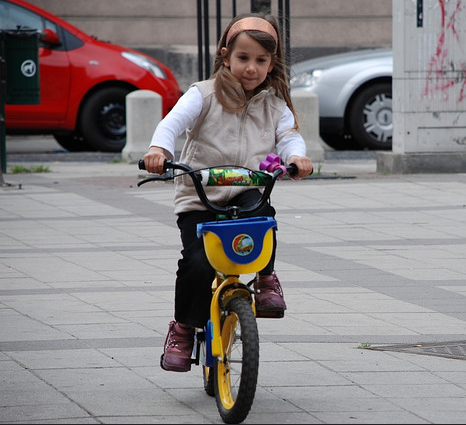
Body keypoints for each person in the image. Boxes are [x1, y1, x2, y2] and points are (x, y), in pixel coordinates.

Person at [143, 12, 314, 372]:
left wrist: (297, 156)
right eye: (243, 58)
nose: (251, 68)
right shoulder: (202, 95)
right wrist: (160, 151)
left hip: (245, 191)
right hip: (199, 196)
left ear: (272, 63)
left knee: (263, 215)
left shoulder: (274, 104)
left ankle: (266, 277)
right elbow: (171, 124)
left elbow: (288, 137)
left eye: (261, 60)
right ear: (225, 56)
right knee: (197, 263)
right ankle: (184, 328)